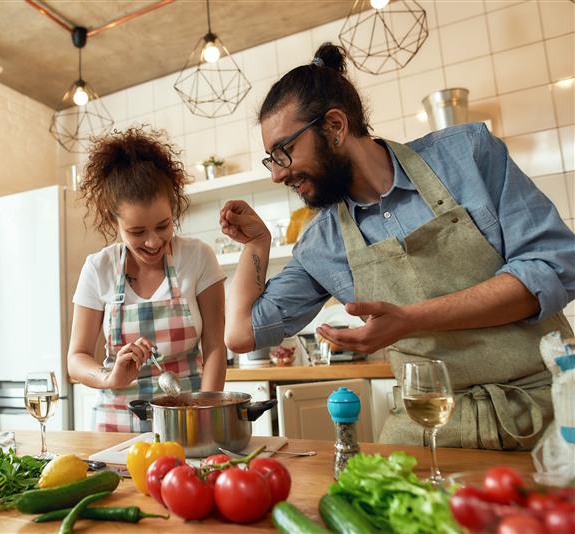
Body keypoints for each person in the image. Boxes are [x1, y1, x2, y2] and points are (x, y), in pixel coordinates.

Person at [220, 43, 575, 451]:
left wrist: (411, 319)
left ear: (335, 127)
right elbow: (242, 335)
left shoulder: (467, 155)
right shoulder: (324, 241)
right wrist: (257, 242)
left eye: (283, 152)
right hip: (428, 421)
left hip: (547, 407)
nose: (278, 175)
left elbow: (555, 267)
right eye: (272, 160)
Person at [69, 127, 227, 432]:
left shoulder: (197, 257)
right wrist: (110, 377)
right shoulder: (98, 268)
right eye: (137, 232)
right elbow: (76, 358)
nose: (154, 242)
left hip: (188, 420)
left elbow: (215, 348)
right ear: (112, 221)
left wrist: (205, 412)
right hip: (115, 426)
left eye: (163, 225)